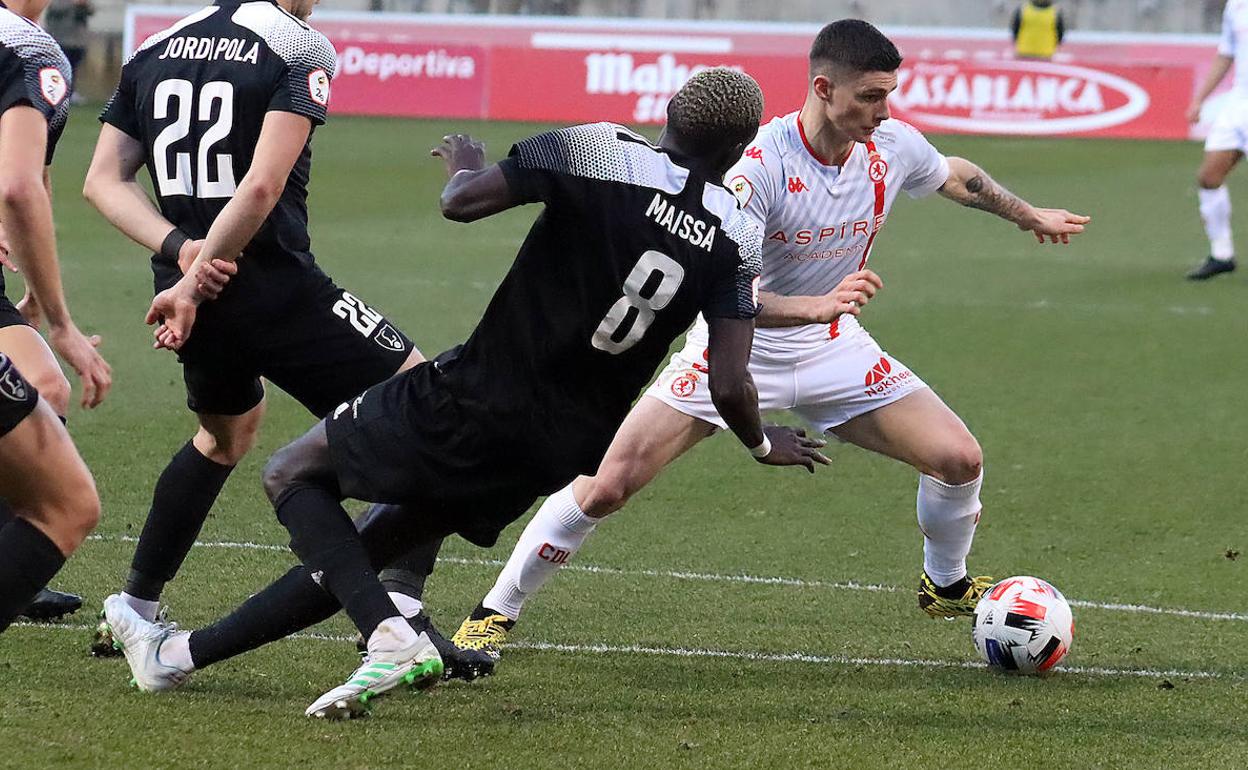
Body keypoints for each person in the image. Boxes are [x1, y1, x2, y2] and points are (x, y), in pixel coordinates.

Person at [102, 66, 829, 719]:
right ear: (737, 153)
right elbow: (730, 379)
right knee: (368, 547)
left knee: (291, 472)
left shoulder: (604, 149)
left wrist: (468, 163)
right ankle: (178, 660)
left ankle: (388, 636)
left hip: (477, 400)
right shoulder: (737, 234)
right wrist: (763, 443)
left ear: (667, 112)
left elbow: (462, 204)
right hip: (558, 449)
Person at [446, 19, 1091, 665]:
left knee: (958, 459)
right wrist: (813, 306)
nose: (883, 110)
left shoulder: (891, 145)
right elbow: (722, 293)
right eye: (870, 96)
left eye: (889, 94)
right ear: (823, 87)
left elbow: (953, 174)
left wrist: (1027, 213)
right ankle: (494, 610)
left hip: (835, 348)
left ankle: (944, 584)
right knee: (606, 487)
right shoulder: (759, 169)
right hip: (731, 353)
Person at [80, 0, 484, 673]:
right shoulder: (299, 46)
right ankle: (396, 616)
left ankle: (135, 609)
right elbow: (261, 187)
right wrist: (201, 271)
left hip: (193, 301)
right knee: (428, 405)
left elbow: (102, 181)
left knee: (223, 436)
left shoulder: (158, 46)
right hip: (273, 288)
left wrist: (182, 257)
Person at [0, 0, 106, 631]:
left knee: (43, 385)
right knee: (70, 503)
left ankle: (18, 563)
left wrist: (38, 293)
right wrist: (62, 323)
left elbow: (26, 182)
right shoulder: (31, 54)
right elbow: (20, 185)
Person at [1185, 0, 1248, 280]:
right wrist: (1200, 98)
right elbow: (1226, 53)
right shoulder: (1235, 5)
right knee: (1209, 177)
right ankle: (1222, 254)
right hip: (1238, 102)